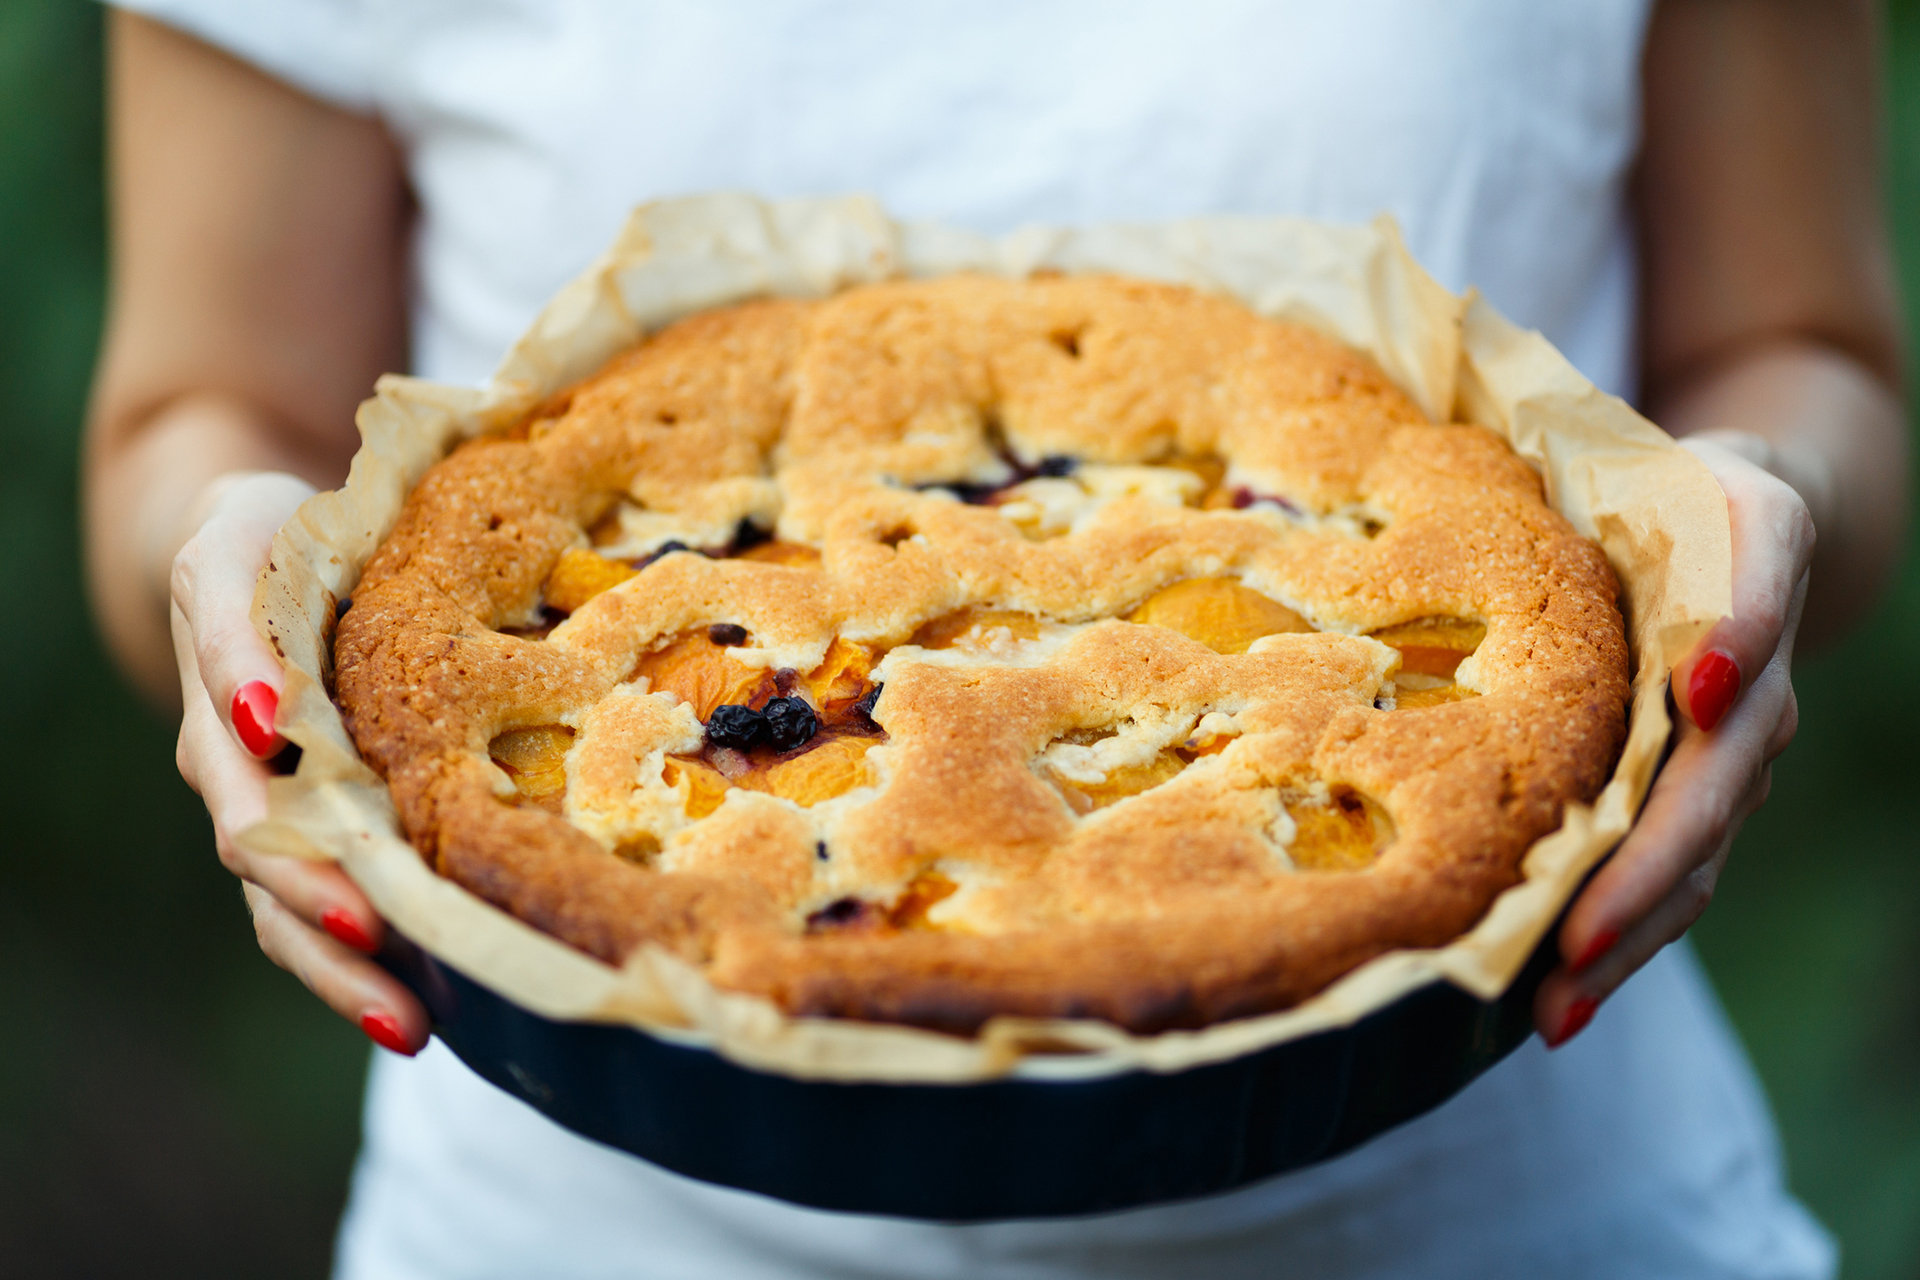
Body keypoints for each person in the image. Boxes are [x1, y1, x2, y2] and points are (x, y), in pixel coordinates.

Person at [85, 3, 1907, 1276]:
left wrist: (1733, 520)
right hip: (567, 1214)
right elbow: (201, 401)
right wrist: (233, 571)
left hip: (1520, 1210)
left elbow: (1810, 343)